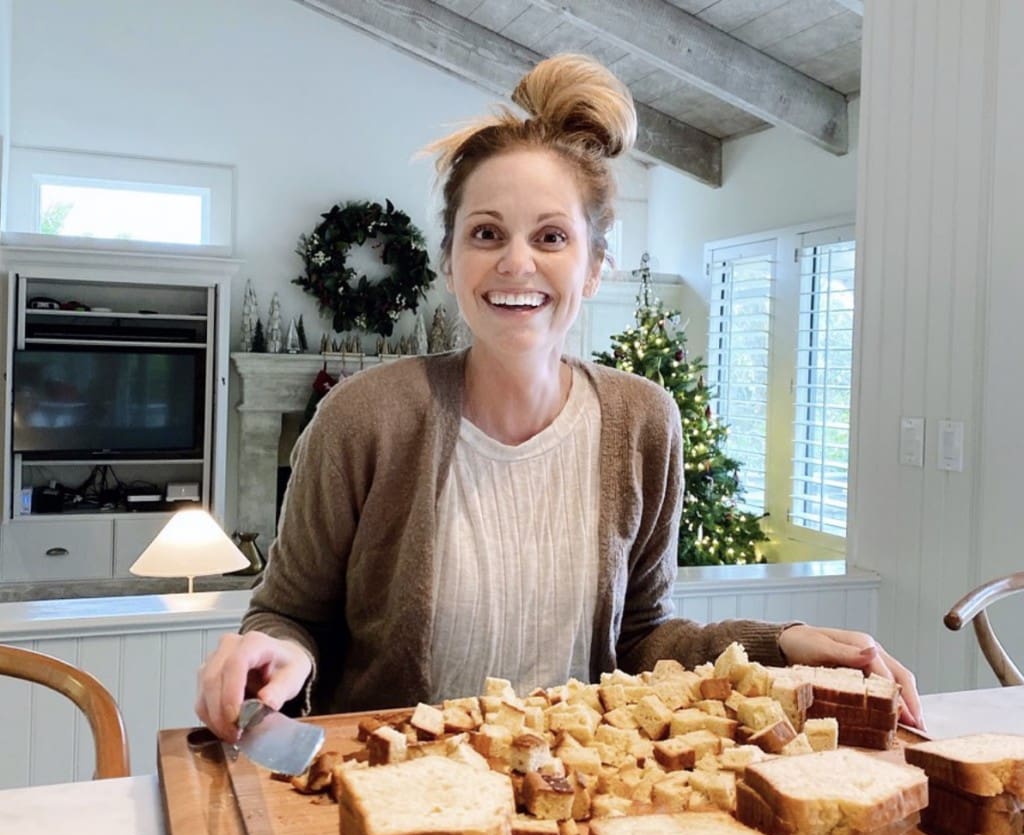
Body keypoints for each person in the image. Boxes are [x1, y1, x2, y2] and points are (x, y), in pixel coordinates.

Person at [196, 54, 923, 742]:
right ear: (450, 260)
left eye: (550, 235)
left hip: (568, 801)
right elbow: (288, 610)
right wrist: (273, 651)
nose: (516, 262)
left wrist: (782, 642)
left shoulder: (642, 422)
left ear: (595, 265)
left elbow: (643, 637)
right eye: (486, 233)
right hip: (391, 790)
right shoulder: (365, 417)